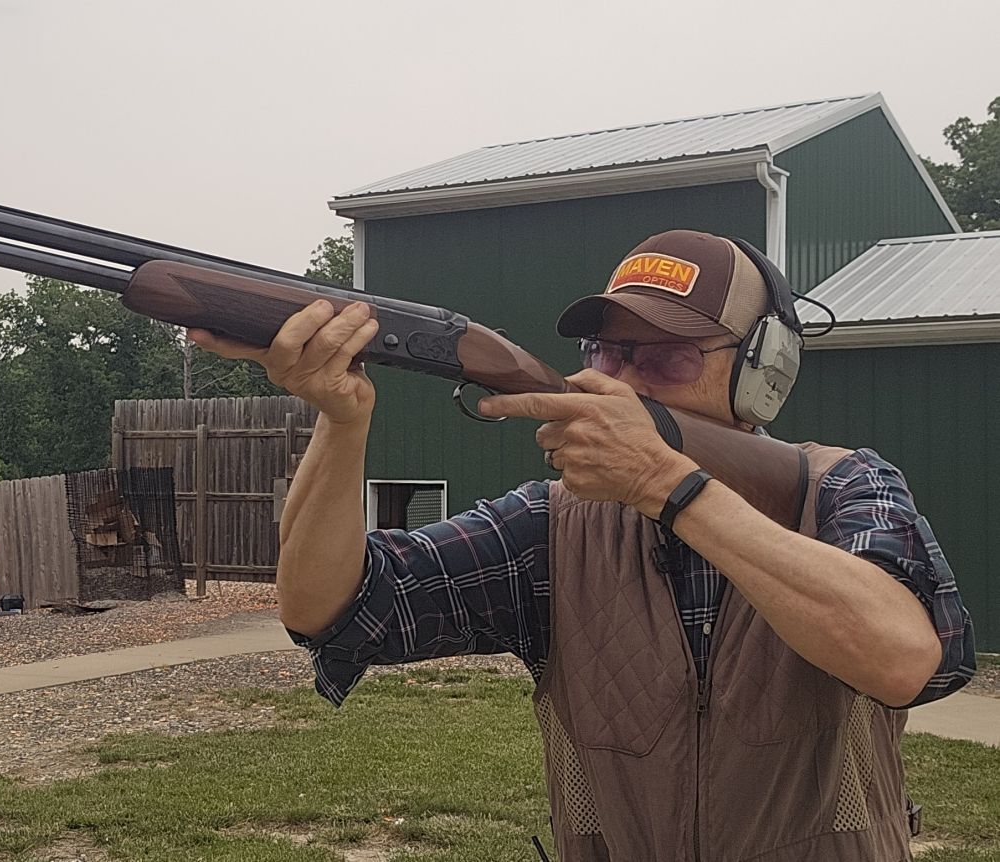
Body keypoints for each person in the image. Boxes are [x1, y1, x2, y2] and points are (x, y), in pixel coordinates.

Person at [187, 229, 975, 861]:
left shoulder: (839, 486)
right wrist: (342, 419)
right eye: (607, 353)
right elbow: (328, 607)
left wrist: (671, 488)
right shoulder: (554, 523)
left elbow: (903, 659)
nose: (624, 382)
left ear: (763, 372)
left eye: (664, 357)